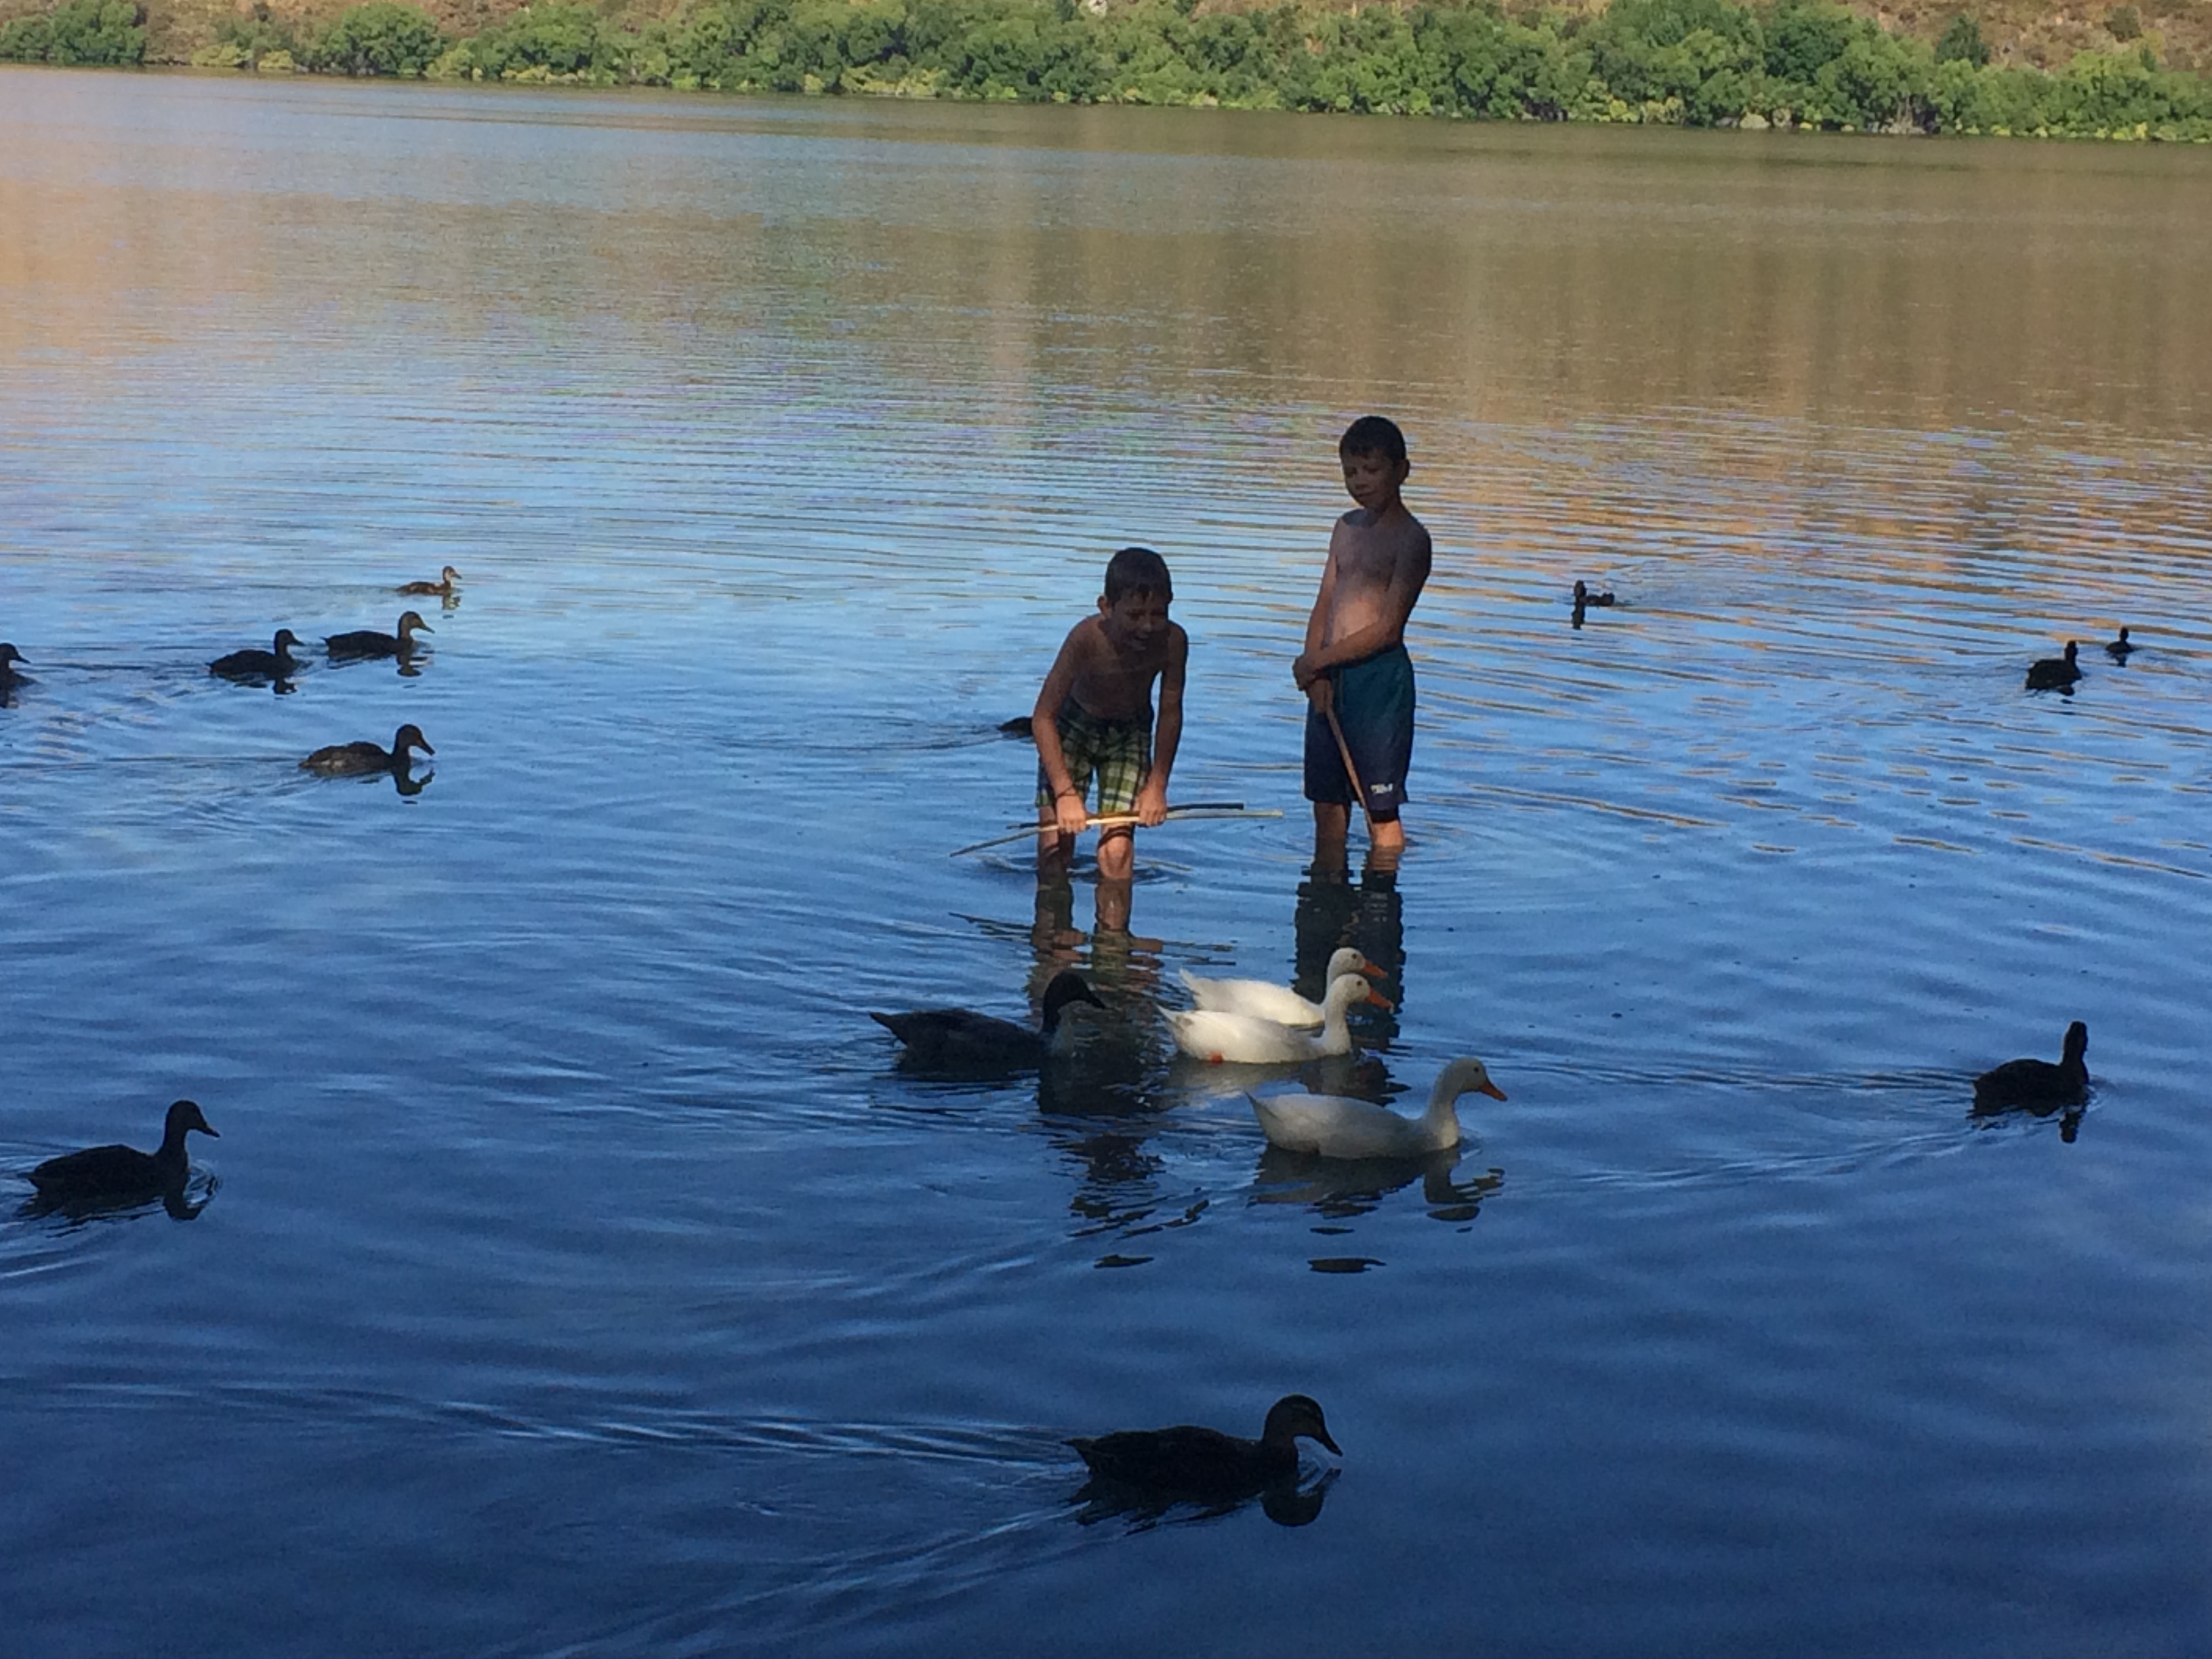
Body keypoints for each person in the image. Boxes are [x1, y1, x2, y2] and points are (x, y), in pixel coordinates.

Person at [1294, 415, 1432, 858]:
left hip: (1378, 682)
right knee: (1327, 803)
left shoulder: (1412, 539)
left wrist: (1318, 661)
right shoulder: (1345, 528)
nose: (1360, 482)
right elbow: (1325, 600)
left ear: (1401, 471)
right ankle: (1327, 886)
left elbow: (1388, 628)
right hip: (1329, 675)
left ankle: (1382, 887)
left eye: (1372, 470)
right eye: (1351, 472)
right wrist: (1314, 669)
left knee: (1380, 808)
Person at [1033, 546, 1187, 930]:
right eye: (1134, 615)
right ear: (1106, 607)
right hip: (1073, 728)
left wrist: (1157, 785)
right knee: (1056, 847)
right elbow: (1043, 717)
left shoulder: (1173, 642)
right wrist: (1065, 793)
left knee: (1117, 853)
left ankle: (1114, 946)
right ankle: (1054, 942)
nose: (1147, 627)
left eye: (1158, 614)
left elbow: (1170, 712)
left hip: (1129, 732)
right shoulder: (1086, 639)